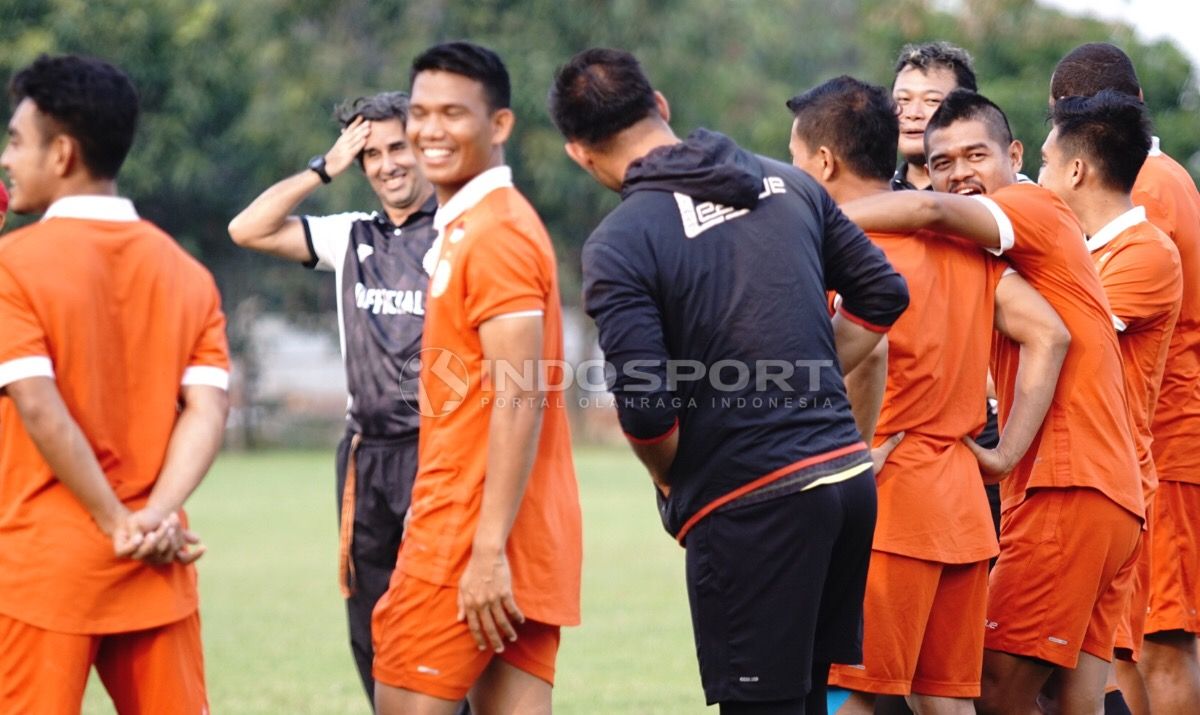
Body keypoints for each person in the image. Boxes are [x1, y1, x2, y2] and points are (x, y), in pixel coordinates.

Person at [551, 48, 910, 715]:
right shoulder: (790, 183)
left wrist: (667, 478)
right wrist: (810, 377)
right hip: (846, 487)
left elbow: (649, 410)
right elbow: (883, 294)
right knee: (805, 699)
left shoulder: (619, 242)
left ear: (579, 152)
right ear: (660, 105)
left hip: (755, 507)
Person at [840, 90, 1144, 715]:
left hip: (1067, 485)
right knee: (1073, 700)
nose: (959, 174)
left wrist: (810, 215)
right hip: (1112, 493)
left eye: (975, 154)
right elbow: (1049, 331)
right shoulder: (1006, 251)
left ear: (1014, 154)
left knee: (997, 691)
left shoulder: (1023, 204)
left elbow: (929, 209)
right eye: (943, 160)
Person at [789, 76, 1069, 715]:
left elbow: (869, 354)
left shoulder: (844, 253)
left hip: (891, 502)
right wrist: (1006, 453)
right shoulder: (969, 248)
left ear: (824, 161)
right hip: (964, 511)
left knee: (858, 700)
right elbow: (1050, 334)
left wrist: (850, 458)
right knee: (944, 703)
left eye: (796, 156)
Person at [0, 54, 229, 712]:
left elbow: (40, 407)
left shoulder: (12, 267)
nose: (8, 158)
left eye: (17, 141)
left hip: (44, 575)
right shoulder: (187, 273)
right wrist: (154, 516)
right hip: (158, 564)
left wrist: (114, 521)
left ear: (63, 152)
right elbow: (207, 411)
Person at [371, 41, 582, 715]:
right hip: (507, 527)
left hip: (469, 536)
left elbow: (521, 394)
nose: (431, 130)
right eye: (420, 112)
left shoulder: (494, 233)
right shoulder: (471, 224)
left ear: (499, 126)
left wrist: (486, 550)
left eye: (453, 114)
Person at [228, 90, 437, 702]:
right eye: (370, 154)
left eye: (397, 147)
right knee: (371, 622)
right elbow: (248, 228)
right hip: (365, 458)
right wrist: (324, 168)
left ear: (423, 147)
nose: (386, 165)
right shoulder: (350, 236)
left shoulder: (458, 233)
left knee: (444, 623)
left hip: (438, 454)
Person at [1051, 42, 1200, 715]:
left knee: (1163, 644)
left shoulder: (1148, 191)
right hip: (1146, 447)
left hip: (1165, 442)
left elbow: (1094, 321)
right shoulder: (1157, 179)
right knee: (1127, 644)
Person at [890, 41, 976, 192]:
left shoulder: (991, 193)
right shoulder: (875, 194)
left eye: (931, 101)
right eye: (903, 100)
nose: (913, 114)